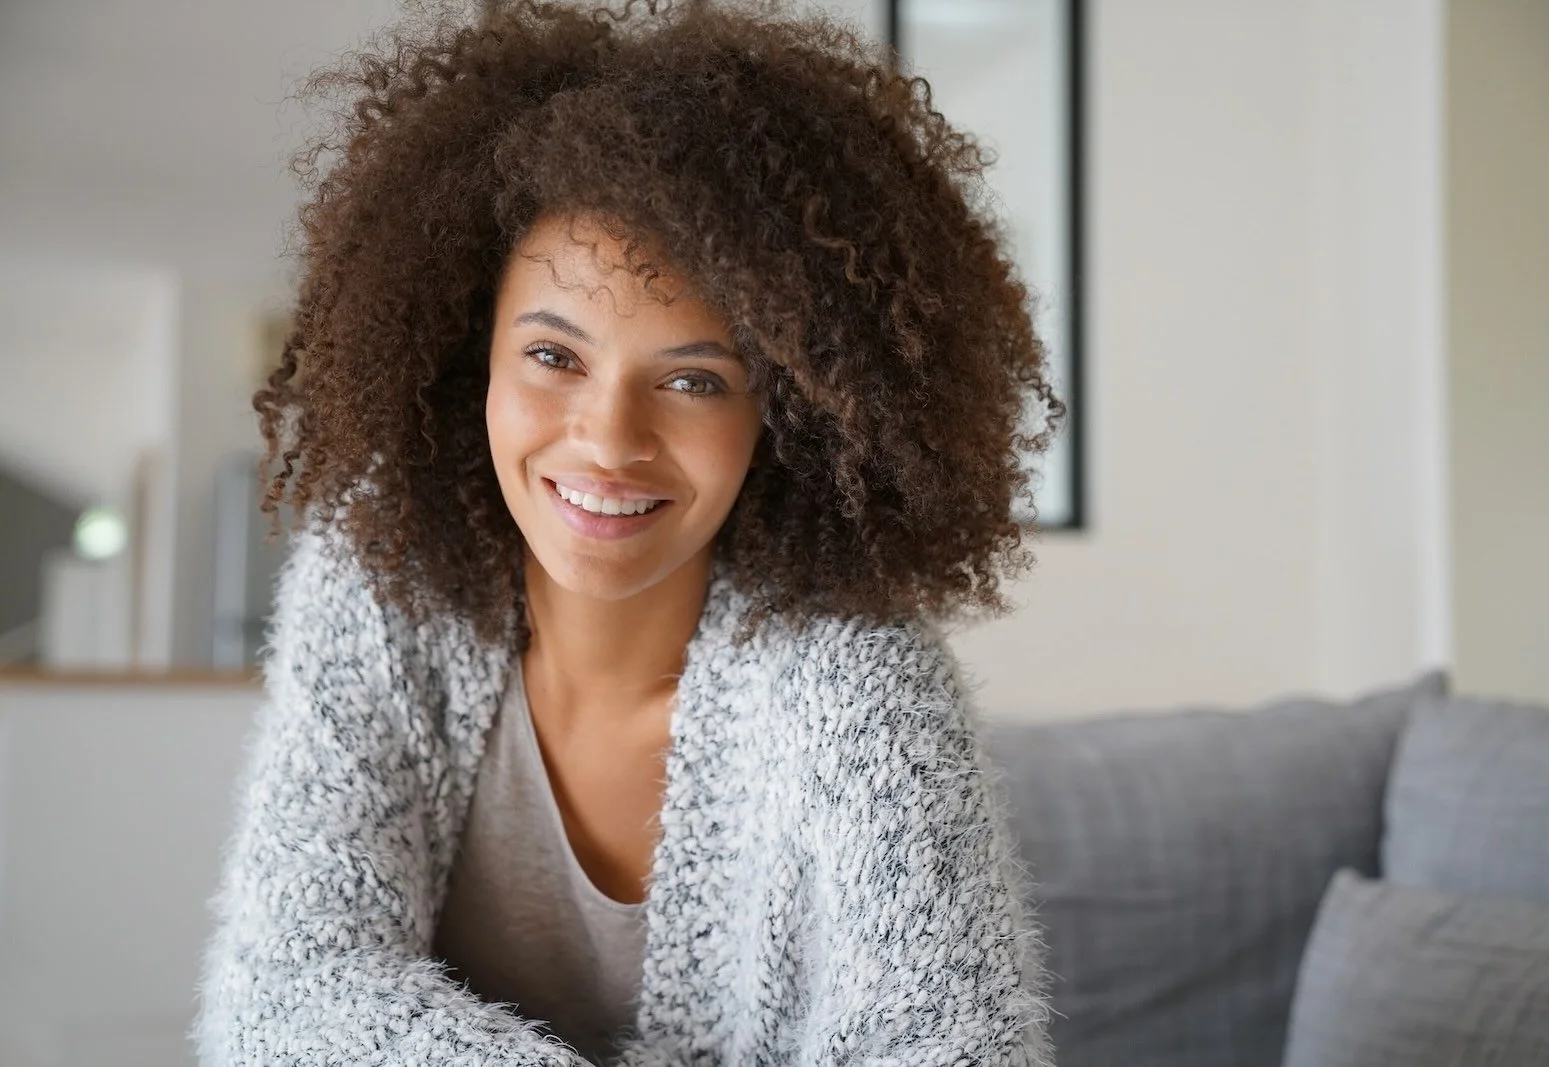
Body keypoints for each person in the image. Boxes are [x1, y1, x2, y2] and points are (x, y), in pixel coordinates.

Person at [191, 0, 1066, 1063]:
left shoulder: (858, 681)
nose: (608, 440)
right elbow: (280, 998)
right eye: (554, 357)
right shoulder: (378, 585)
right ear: (472, 357)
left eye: (695, 380)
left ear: (787, 418)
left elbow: (955, 1047)